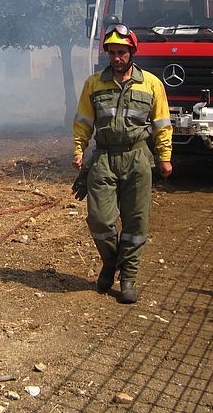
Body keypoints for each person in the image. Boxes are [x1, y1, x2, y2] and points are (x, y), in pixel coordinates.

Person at [72, 24, 172, 304]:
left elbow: (162, 124)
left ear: (132, 53)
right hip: (103, 158)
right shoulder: (94, 83)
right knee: (100, 219)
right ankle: (110, 261)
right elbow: (83, 121)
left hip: (138, 157)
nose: (116, 58)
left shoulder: (151, 84)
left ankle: (128, 277)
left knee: (136, 221)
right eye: (112, 52)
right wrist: (79, 150)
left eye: (122, 52)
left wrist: (164, 157)